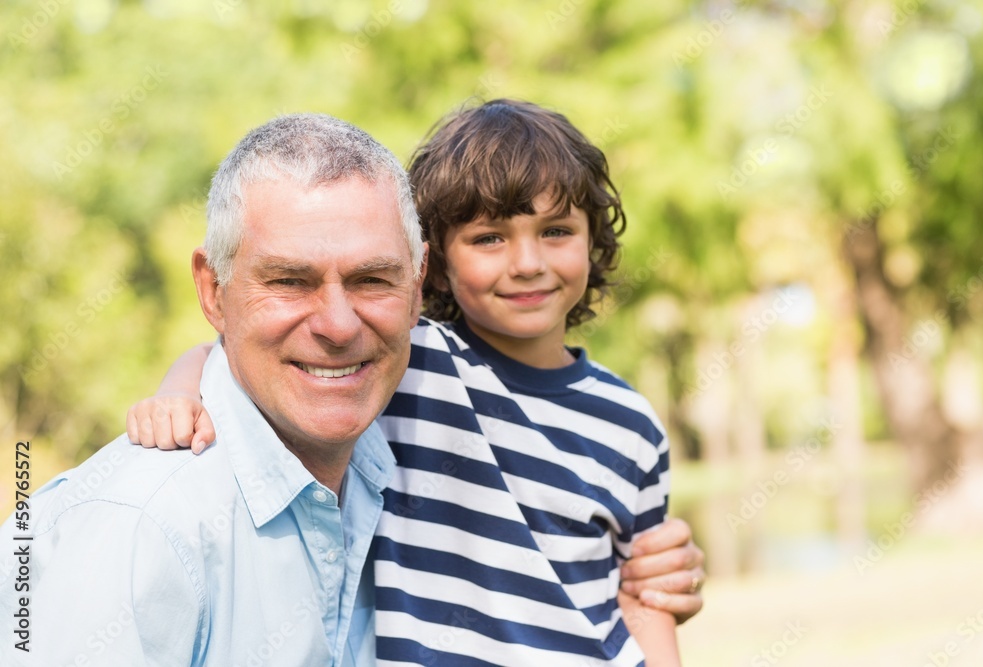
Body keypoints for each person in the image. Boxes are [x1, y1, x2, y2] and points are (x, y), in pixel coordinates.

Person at [128, 100, 705, 666]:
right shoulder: (412, 361)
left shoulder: (630, 422)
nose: (528, 262)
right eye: (489, 239)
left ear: (592, 239)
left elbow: (649, 595)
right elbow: (227, 350)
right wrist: (177, 396)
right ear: (434, 262)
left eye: (556, 231)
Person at [0, 113, 426, 666]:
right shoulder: (136, 529)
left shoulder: (412, 479)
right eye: (289, 281)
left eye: (373, 280)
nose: (339, 325)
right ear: (213, 292)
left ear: (418, 291)